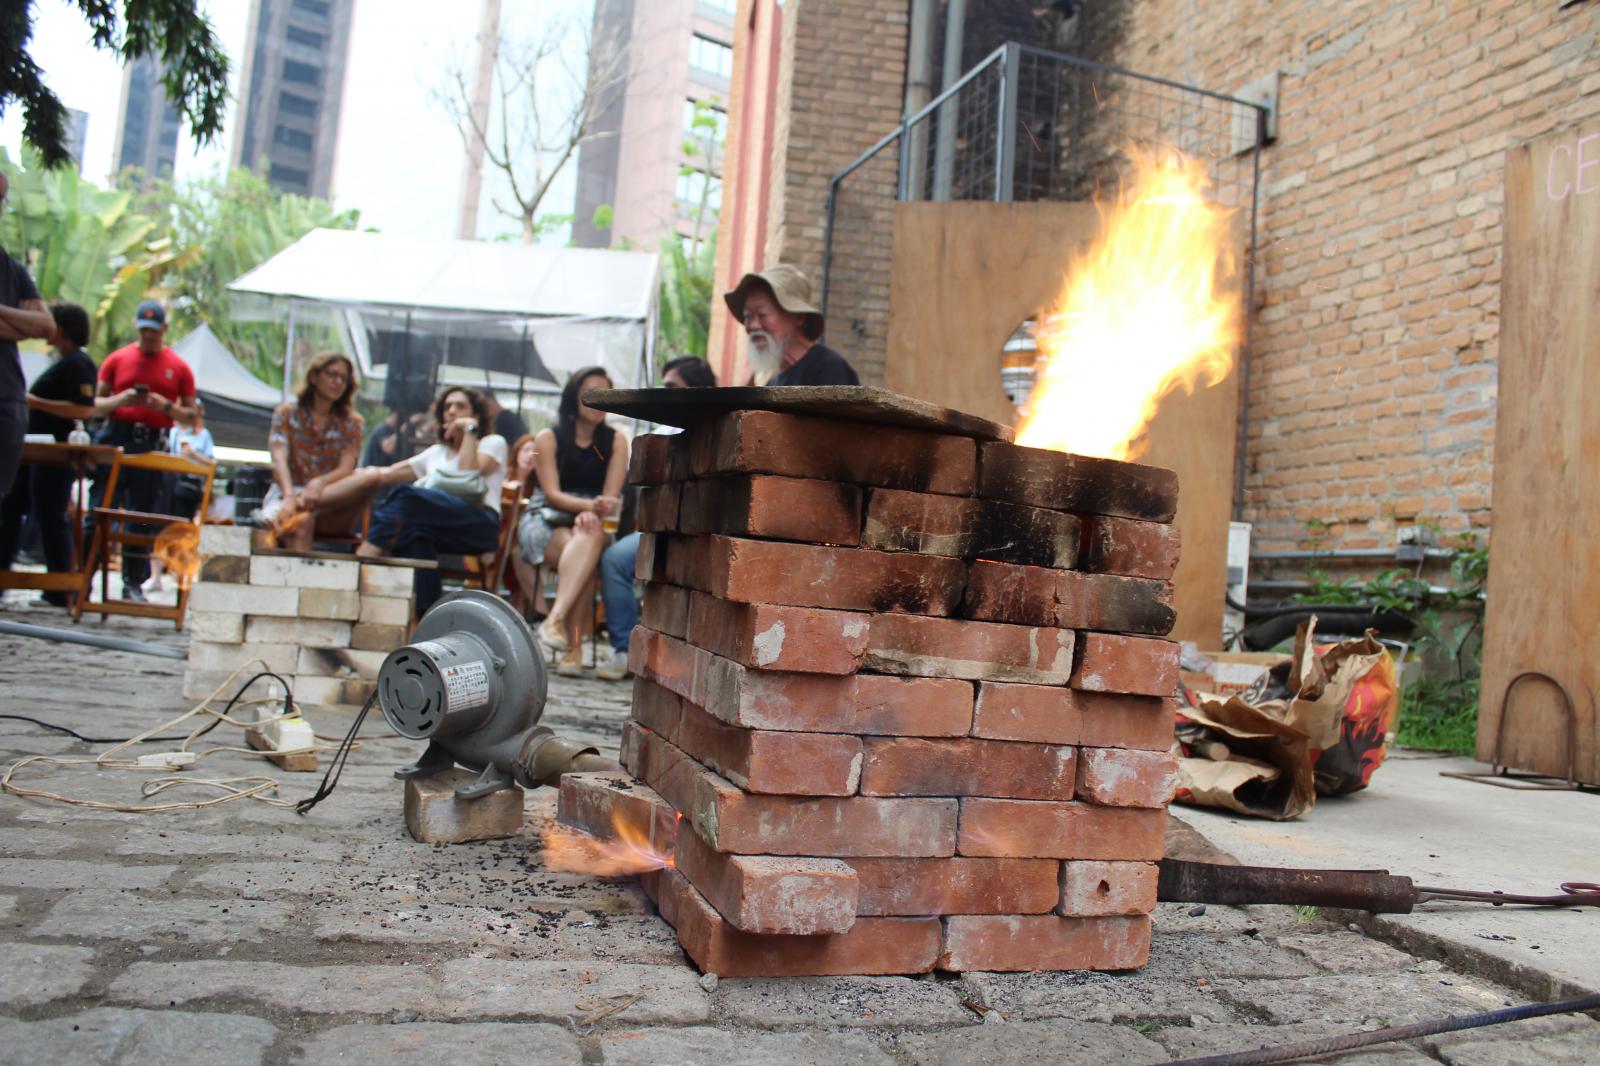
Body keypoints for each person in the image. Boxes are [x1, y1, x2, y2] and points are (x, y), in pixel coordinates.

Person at [592, 356, 717, 681]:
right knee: (615, 561)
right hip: (660, 529)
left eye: (673, 386)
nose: (666, 392)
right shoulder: (662, 428)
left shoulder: (715, 423)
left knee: (621, 562)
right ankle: (624, 650)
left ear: (696, 388)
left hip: (701, 533)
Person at [347, 386, 507, 616]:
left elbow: (467, 474)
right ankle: (426, 617)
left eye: (460, 406)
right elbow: (386, 473)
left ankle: (361, 564)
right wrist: (337, 480)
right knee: (414, 536)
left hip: (478, 524)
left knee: (407, 497)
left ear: (477, 415)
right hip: (436, 526)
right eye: (448, 407)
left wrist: (470, 430)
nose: (452, 411)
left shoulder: (492, 443)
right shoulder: (436, 453)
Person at [520, 367, 629, 678]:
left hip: (593, 522)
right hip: (545, 520)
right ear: (573, 395)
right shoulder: (545, 438)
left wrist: (593, 512)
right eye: (591, 391)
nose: (597, 400)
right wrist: (587, 506)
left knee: (586, 541)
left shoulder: (618, 441)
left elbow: (610, 498)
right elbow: (551, 494)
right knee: (581, 553)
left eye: (605, 393)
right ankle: (574, 649)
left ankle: (556, 621)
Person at [92, 300, 198, 602]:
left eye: (154, 331)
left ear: (164, 329)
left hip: (153, 440)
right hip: (116, 436)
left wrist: (162, 406)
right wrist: (121, 400)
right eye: (143, 331)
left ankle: (133, 582)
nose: (148, 337)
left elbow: (192, 417)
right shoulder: (116, 359)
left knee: (142, 515)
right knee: (99, 508)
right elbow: (95, 405)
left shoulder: (179, 367)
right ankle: (83, 579)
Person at [0, 302, 99, 605]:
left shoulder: (78, 364)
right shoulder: (65, 362)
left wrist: (35, 402)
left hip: (55, 452)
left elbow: (84, 408)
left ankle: (59, 587)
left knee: (49, 514)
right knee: (16, 510)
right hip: (36, 450)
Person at [261, 351, 366, 552]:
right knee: (299, 522)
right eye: (332, 375)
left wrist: (320, 483)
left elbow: (347, 468)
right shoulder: (286, 413)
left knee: (367, 479)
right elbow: (278, 458)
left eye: (344, 379)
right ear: (314, 376)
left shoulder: (352, 422)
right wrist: (289, 495)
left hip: (329, 499)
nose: (338, 382)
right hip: (287, 495)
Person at [0, 170, 57, 509]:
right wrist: (20, 322)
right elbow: (33, 326)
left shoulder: (12, 269)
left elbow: (46, 327)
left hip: (7, 401)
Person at [723, 264, 858, 387]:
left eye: (762, 314)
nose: (752, 325)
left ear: (798, 317)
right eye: (748, 316)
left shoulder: (828, 368)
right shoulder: (773, 383)